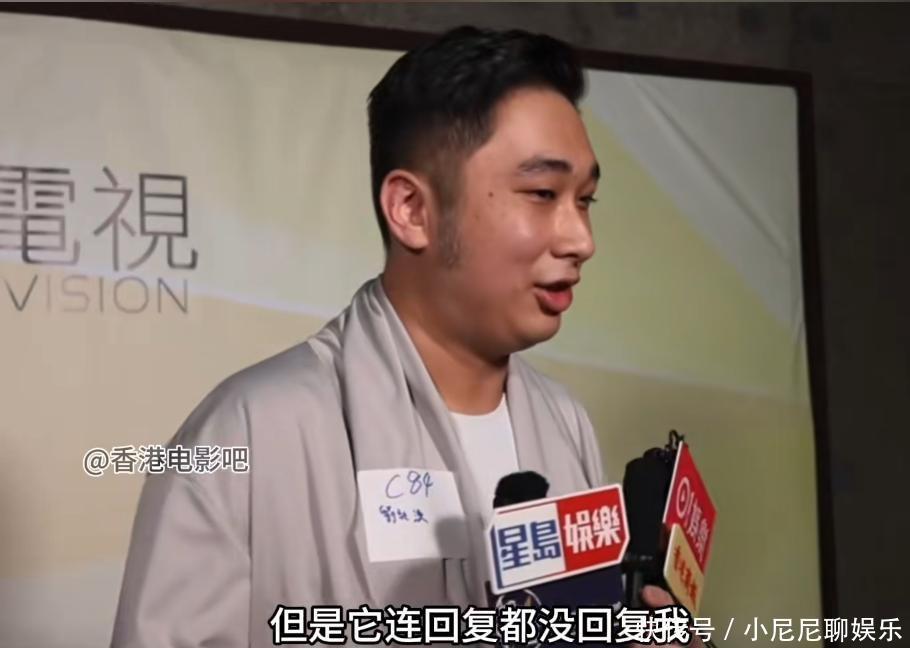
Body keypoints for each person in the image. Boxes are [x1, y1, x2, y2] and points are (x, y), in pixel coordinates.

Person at [111, 25, 681, 647]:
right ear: (411, 209)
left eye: (586, 199)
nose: (580, 240)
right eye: (543, 193)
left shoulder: (564, 422)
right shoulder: (246, 430)